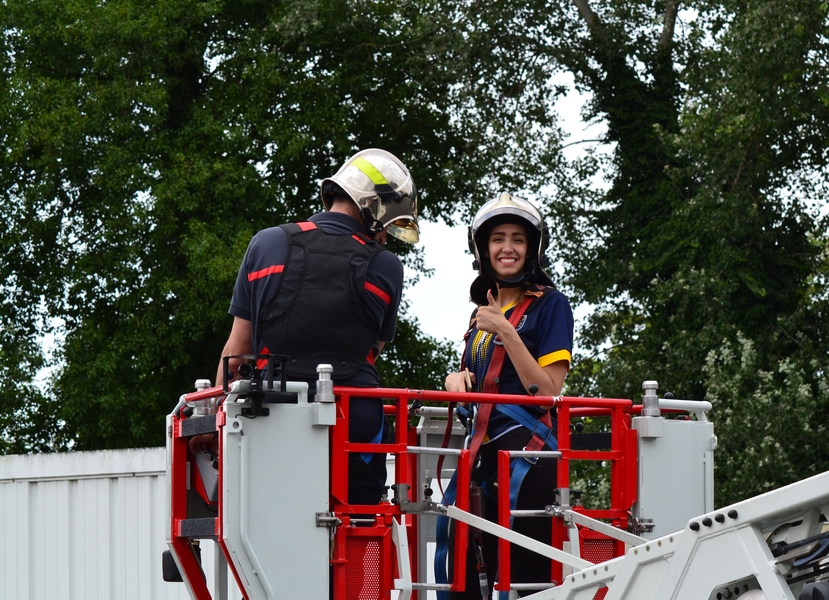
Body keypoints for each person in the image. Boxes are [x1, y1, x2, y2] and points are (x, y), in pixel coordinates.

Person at [192, 148, 419, 506]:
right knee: (359, 525)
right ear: (375, 210)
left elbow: (236, 353)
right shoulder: (386, 267)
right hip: (353, 422)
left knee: (263, 520)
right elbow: (371, 351)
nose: (386, 239)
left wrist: (209, 417)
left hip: (267, 415)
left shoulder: (267, 243)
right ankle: (358, 561)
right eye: (388, 227)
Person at [439, 192, 575, 598]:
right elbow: (482, 385)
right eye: (498, 238)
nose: (508, 248)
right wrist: (455, 379)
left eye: (518, 238)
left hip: (528, 460)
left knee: (526, 584)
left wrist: (507, 331)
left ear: (532, 248)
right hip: (481, 457)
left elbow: (547, 389)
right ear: (483, 249)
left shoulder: (552, 306)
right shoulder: (482, 312)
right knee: (464, 578)